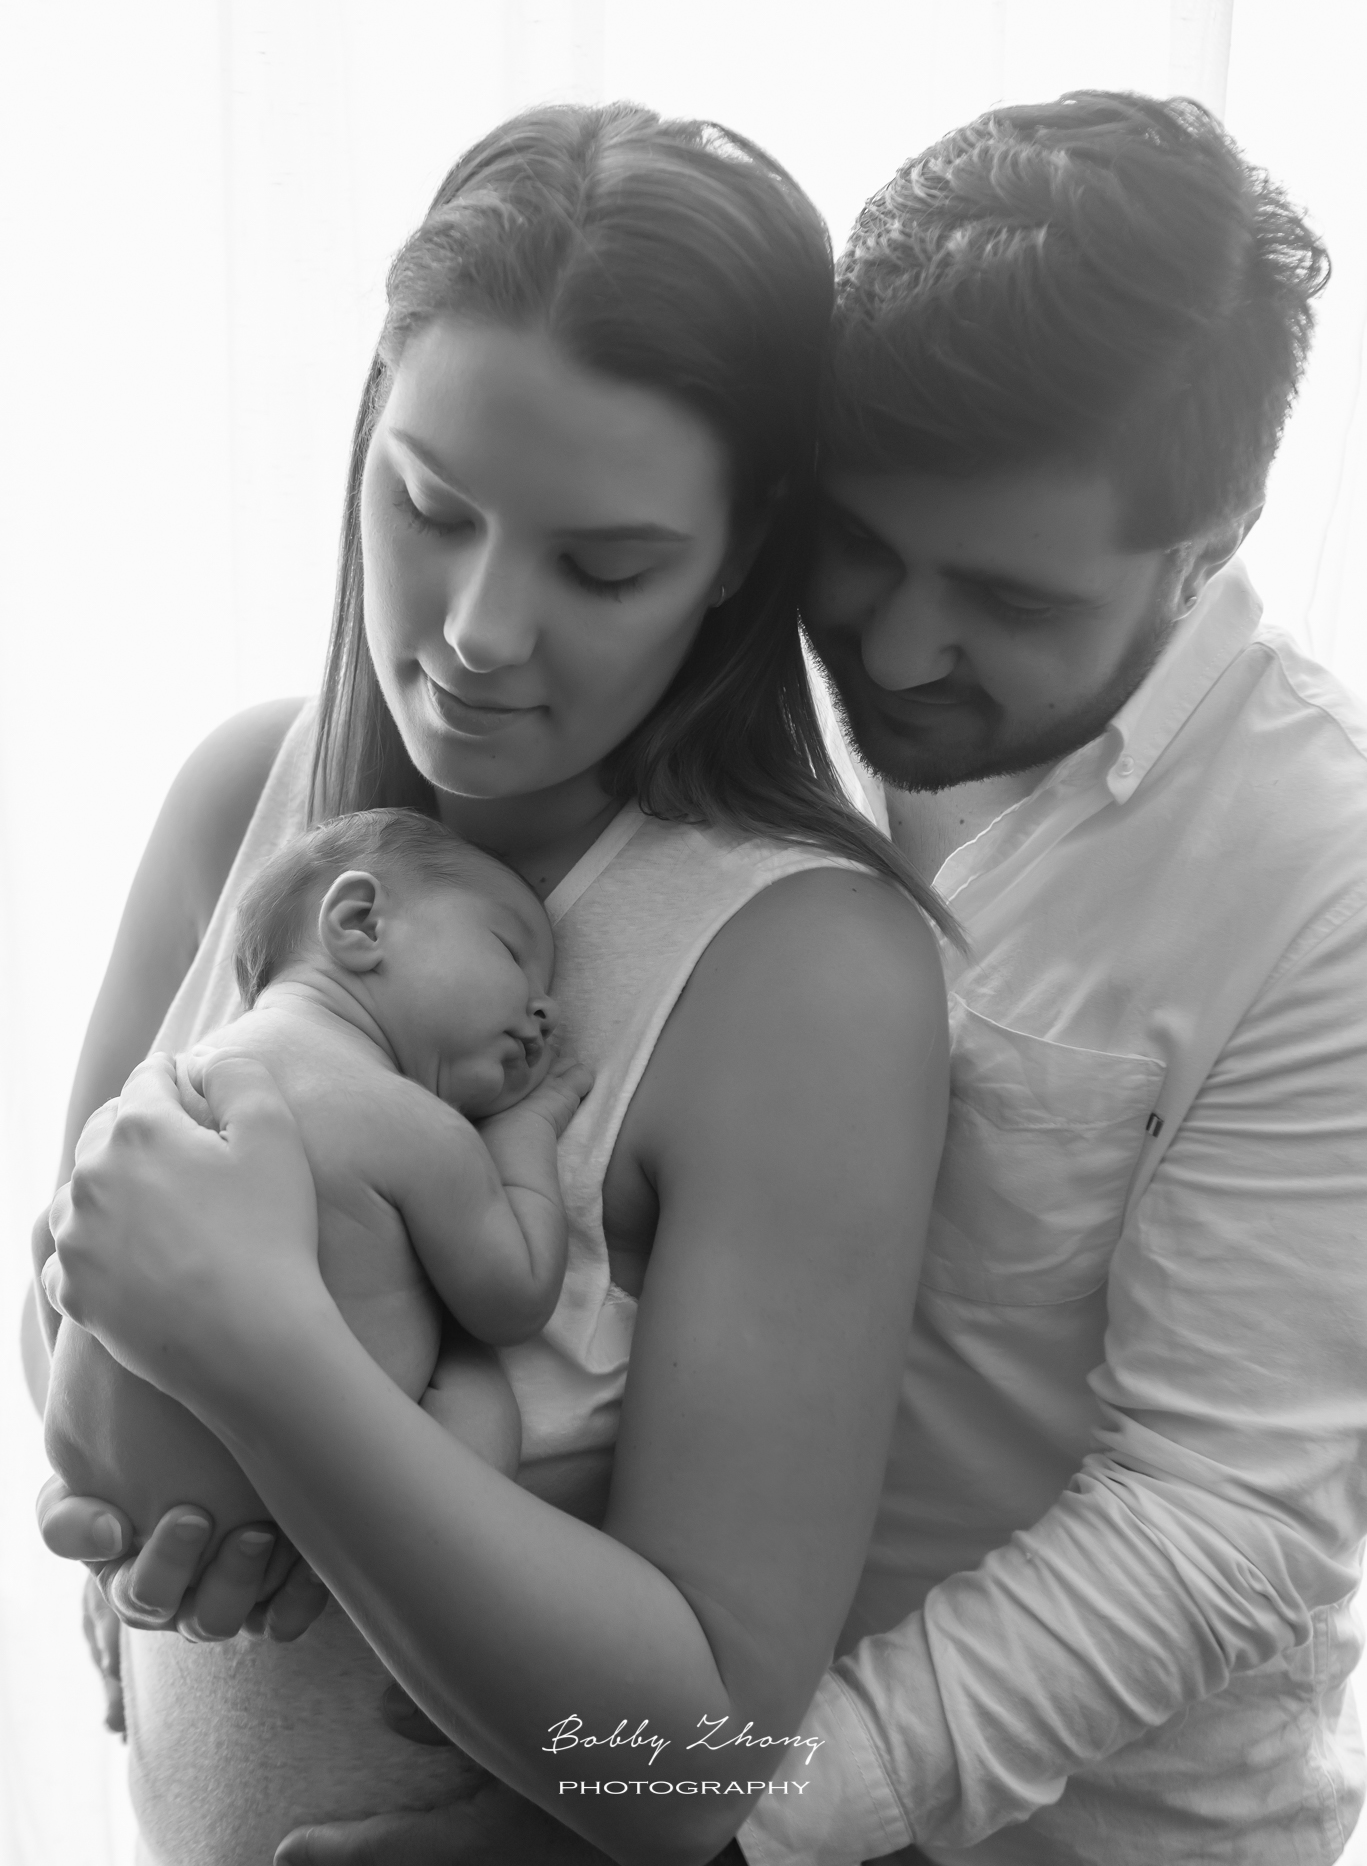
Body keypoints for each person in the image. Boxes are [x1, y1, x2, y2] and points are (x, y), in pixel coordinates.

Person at [123, 91, 1367, 1866]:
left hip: (1064, 1832)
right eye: (857, 549)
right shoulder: (649, 708)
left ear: (1212, 538)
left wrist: (648, 1816)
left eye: (1007, 602)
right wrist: (166, 1474)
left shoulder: (1316, 873)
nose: (895, 647)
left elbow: (1221, 1514)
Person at [28, 103, 951, 1866]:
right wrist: (151, 1488)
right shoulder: (249, 794)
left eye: (603, 565)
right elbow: (80, 1270)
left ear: (740, 552)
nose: (476, 631)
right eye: (429, 506)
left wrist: (271, 1368)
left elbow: (683, 1775)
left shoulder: (802, 972)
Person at [45, 809, 591, 1560]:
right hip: (291, 1513)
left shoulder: (169, 1083)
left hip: (96, 1491)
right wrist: (524, 1132)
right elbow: (514, 1298)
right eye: (511, 951)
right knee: (476, 1382)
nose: (546, 1007)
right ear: (360, 922)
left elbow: (57, 1240)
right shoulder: (416, 1126)